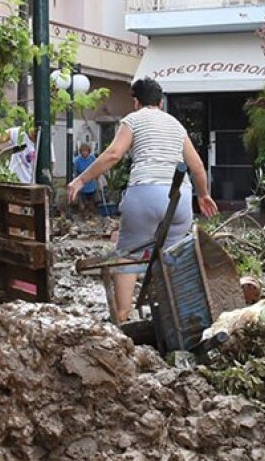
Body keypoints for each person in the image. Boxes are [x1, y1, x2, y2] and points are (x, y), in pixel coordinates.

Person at [67, 78, 218, 322]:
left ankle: (123, 318)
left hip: (145, 193)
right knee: (172, 257)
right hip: (179, 200)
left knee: (127, 255)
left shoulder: (133, 120)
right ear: (160, 102)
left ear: (136, 102)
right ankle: (174, 318)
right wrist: (203, 195)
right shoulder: (175, 124)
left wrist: (81, 180)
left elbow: (114, 154)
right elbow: (197, 165)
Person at [73, 143, 99, 216]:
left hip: (91, 182)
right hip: (82, 183)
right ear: (81, 152)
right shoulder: (77, 160)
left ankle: (92, 214)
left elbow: (96, 167)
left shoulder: (92, 158)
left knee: (92, 200)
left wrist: (96, 176)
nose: (84, 152)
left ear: (89, 151)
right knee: (83, 201)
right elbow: (75, 172)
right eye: (83, 151)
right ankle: (84, 214)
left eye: (86, 151)